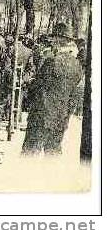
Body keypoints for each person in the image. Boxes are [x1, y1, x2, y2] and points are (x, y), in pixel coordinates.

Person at [22, 23, 84, 155]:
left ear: (59, 39)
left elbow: (38, 86)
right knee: (53, 152)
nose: (51, 40)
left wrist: (29, 85)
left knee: (30, 151)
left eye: (53, 38)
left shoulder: (51, 61)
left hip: (42, 114)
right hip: (61, 117)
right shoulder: (77, 64)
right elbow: (76, 94)